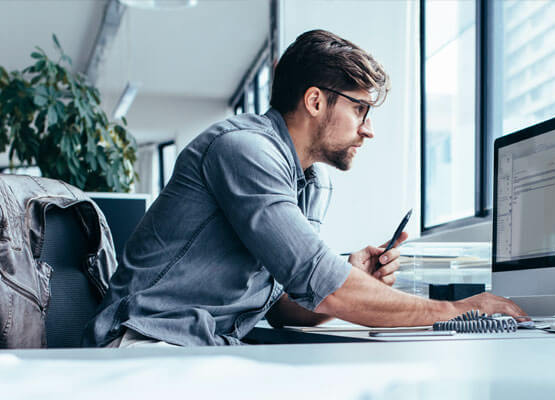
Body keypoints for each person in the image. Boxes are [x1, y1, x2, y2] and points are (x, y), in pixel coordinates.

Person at [82, 29, 525, 348]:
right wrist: (458, 312)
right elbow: (324, 284)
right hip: (147, 343)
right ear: (315, 101)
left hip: (205, 348)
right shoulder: (243, 151)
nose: (368, 129)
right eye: (361, 109)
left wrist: (352, 277)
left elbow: (280, 307)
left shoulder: (311, 181)